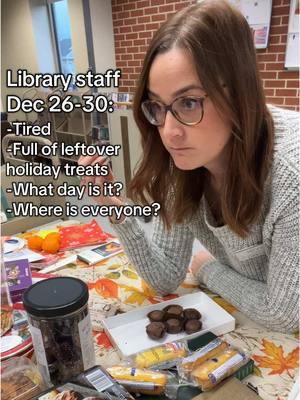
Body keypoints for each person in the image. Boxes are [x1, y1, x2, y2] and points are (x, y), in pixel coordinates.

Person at [79, 0, 299, 333]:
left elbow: (284, 312)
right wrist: (113, 206)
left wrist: (207, 268)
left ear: (239, 93)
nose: (169, 132)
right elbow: (165, 276)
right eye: (157, 106)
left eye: (189, 102)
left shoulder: (289, 173)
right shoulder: (183, 164)